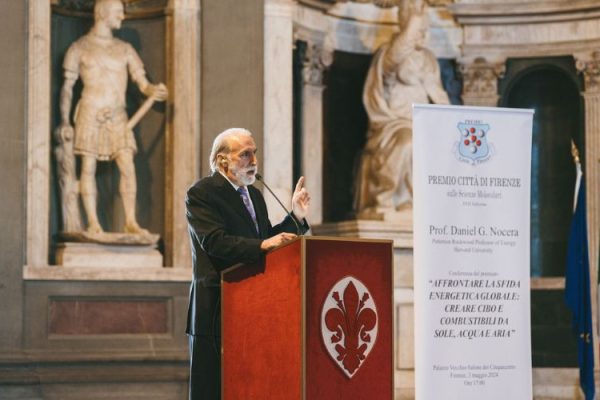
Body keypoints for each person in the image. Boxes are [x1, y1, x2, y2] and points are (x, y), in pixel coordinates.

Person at [185, 128, 310, 400]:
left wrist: (296, 217)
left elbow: (265, 239)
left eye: (254, 153)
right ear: (222, 161)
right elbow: (215, 242)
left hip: (253, 307)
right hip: (217, 308)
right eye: (245, 154)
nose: (254, 160)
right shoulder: (202, 193)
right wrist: (264, 245)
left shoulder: (254, 196)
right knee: (214, 390)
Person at [57, 0, 168, 235]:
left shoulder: (125, 49)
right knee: (87, 167)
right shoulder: (79, 48)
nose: (123, 17)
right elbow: (67, 88)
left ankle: (130, 221)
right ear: (103, 13)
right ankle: (93, 223)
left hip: (118, 116)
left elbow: (142, 83)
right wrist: (65, 121)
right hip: (90, 113)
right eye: (118, 12)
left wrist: (153, 91)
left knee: (128, 166)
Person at [354, 2, 449, 219]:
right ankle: (384, 196)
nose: (421, 35)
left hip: (423, 123)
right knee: (408, 141)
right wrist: (413, 21)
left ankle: (411, 201)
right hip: (392, 124)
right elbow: (394, 60)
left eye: (424, 30)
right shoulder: (388, 53)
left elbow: (439, 96)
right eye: (418, 30)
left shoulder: (429, 59)